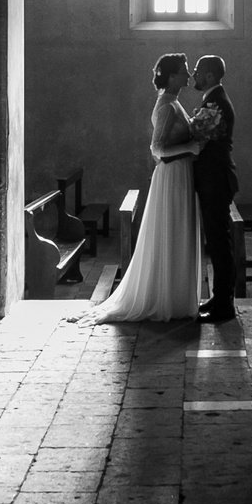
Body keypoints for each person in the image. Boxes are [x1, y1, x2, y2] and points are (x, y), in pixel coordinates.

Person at [88, 53, 203, 322]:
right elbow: (157, 148)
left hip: (181, 173)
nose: (188, 75)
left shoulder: (175, 102)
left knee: (177, 232)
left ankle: (175, 296)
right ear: (172, 75)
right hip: (172, 176)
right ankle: (163, 298)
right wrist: (191, 146)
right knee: (170, 230)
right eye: (184, 71)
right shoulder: (166, 105)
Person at [189, 55, 238, 322]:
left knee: (219, 243)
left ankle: (224, 306)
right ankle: (219, 298)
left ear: (209, 75)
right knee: (217, 242)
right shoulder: (213, 98)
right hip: (214, 179)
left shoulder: (216, 101)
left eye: (197, 71)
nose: (193, 75)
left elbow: (195, 133)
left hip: (216, 180)